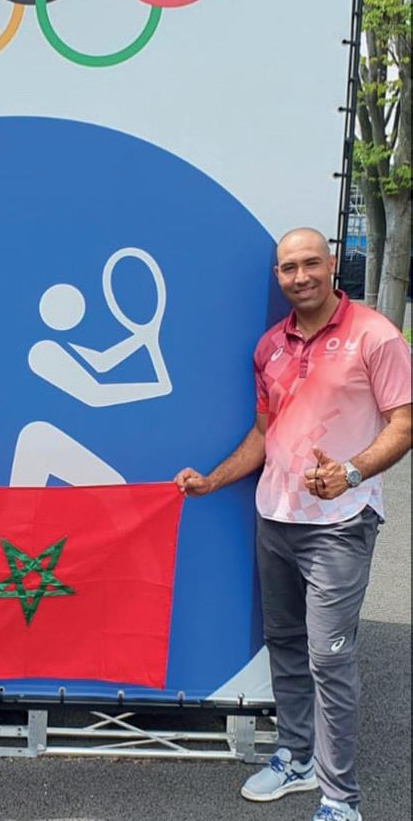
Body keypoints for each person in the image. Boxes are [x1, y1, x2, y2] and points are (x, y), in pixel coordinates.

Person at [174, 228, 411, 821]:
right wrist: (212, 480)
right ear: (277, 277)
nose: (300, 276)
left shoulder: (374, 336)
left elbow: (403, 423)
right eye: (287, 268)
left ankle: (340, 799)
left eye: (310, 264)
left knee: (329, 659)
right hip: (274, 518)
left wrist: (351, 474)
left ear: (333, 265)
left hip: (340, 524)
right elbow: (264, 433)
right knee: (285, 645)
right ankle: (297, 758)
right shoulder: (269, 347)